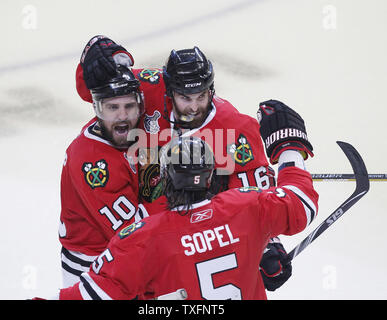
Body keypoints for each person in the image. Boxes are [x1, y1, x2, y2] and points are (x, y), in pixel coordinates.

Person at [74, 35, 303, 291]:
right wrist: (92, 60)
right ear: (169, 91)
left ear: (211, 90)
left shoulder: (234, 129)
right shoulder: (148, 89)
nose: (194, 107)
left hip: (188, 244)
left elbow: (255, 198)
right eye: (185, 97)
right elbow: (95, 90)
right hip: (111, 248)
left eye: (201, 96)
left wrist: (268, 247)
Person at [55, 100, 318, 300]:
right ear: (211, 176)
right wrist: (289, 147)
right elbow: (301, 201)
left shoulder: (142, 239)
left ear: (164, 180)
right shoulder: (248, 206)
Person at [58, 64, 146, 288]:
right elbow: (131, 232)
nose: (122, 116)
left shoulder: (122, 132)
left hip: (116, 255)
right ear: (97, 109)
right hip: (92, 265)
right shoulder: (92, 162)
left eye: (129, 106)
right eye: (112, 107)